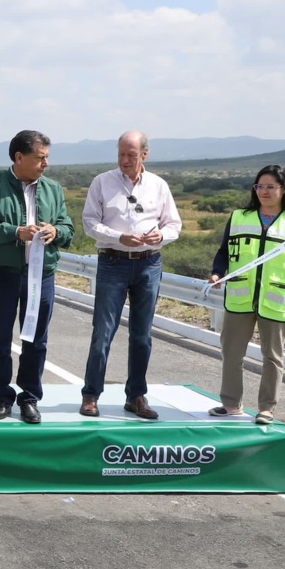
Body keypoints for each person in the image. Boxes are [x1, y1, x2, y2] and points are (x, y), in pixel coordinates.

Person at [0, 130, 74, 425]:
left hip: (41, 275)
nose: (46, 164)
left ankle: (29, 398)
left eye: (47, 158)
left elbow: (68, 226)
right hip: (1, 273)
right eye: (40, 158)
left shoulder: (53, 189)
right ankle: (2, 397)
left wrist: (57, 232)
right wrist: (15, 232)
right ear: (19, 157)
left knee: (36, 340)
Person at [80, 132, 182, 420]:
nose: (125, 161)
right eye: (121, 155)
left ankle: (136, 395)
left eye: (132, 156)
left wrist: (161, 235)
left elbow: (174, 224)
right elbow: (89, 222)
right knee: (103, 331)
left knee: (142, 334)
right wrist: (118, 237)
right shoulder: (102, 182)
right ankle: (91, 394)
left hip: (149, 263)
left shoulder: (159, 185)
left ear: (144, 156)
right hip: (113, 261)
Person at [207, 165, 285, 425]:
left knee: (273, 357)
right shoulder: (239, 217)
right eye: (260, 186)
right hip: (240, 297)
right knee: (231, 353)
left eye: (271, 187)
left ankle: (266, 408)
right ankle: (231, 404)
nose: (264, 192)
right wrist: (216, 273)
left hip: (277, 299)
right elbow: (224, 251)